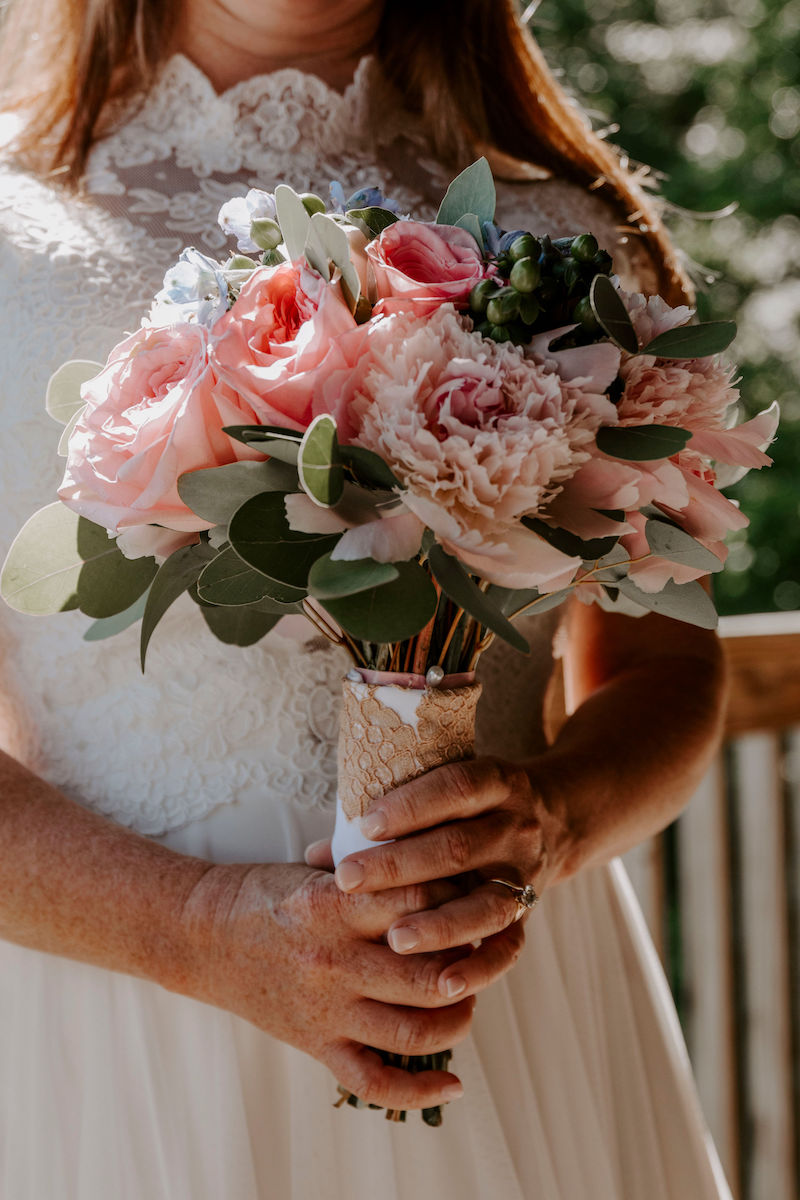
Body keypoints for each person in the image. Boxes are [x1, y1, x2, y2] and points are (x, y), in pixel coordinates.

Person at [0, 1, 734, 1196]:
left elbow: (666, 666)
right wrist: (198, 925)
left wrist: (549, 820)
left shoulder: (569, 235)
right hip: (116, 1017)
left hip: (492, 990)